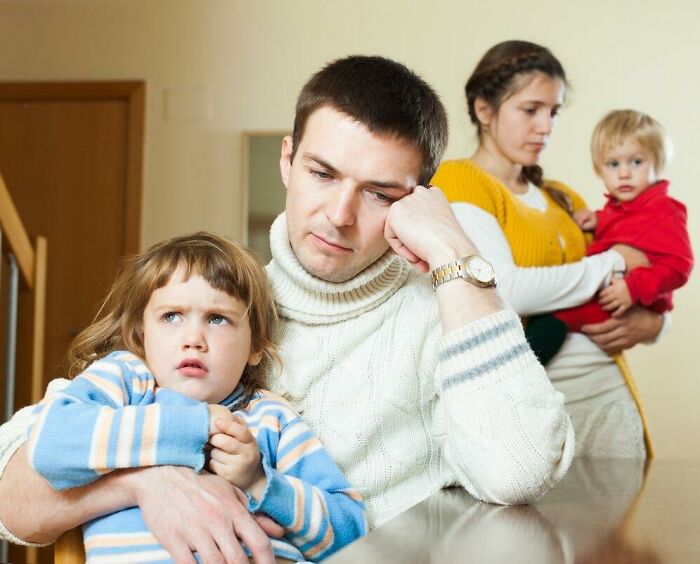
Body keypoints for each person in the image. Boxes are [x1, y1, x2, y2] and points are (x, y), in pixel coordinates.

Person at [0, 55, 574, 563]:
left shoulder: (444, 317)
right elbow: (14, 495)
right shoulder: (209, 312)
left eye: (379, 193)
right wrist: (147, 485)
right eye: (321, 174)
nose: (339, 215)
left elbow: (519, 471)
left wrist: (456, 250)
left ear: (418, 200)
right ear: (287, 161)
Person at [24, 232, 367, 563]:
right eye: (171, 316)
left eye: (217, 319)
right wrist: (196, 424)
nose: (193, 338)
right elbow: (48, 444)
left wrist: (261, 482)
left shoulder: (271, 417)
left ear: (256, 346)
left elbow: (355, 535)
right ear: (142, 336)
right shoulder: (126, 383)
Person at [432, 40, 667, 459]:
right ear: (484, 109)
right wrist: (610, 261)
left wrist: (654, 325)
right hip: (537, 414)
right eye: (531, 110)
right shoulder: (460, 181)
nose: (545, 126)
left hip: (612, 402)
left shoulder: (564, 197)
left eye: (553, 112)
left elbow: (644, 270)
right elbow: (506, 289)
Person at [552, 110, 693, 332]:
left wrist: (634, 286)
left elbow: (680, 264)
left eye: (636, 162)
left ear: (658, 162)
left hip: (632, 295)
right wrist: (598, 219)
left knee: (554, 321)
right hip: (613, 288)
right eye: (613, 164)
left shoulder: (664, 210)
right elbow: (627, 227)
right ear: (599, 168)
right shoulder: (620, 207)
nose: (624, 173)